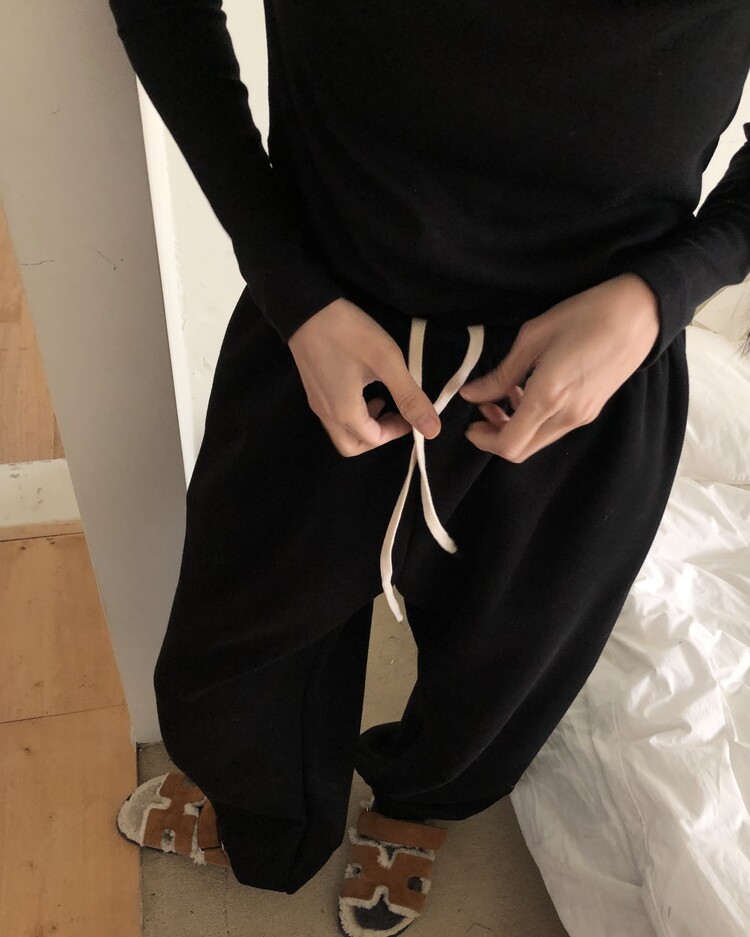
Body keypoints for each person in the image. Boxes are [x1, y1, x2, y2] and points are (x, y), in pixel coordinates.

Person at [109, 1, 750, 934]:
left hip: (582, 374)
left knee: (509, 656)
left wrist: (663, 296)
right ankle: (259, 808)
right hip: (327, 322)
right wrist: (288, 284)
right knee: (236, 642)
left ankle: (418, 805)